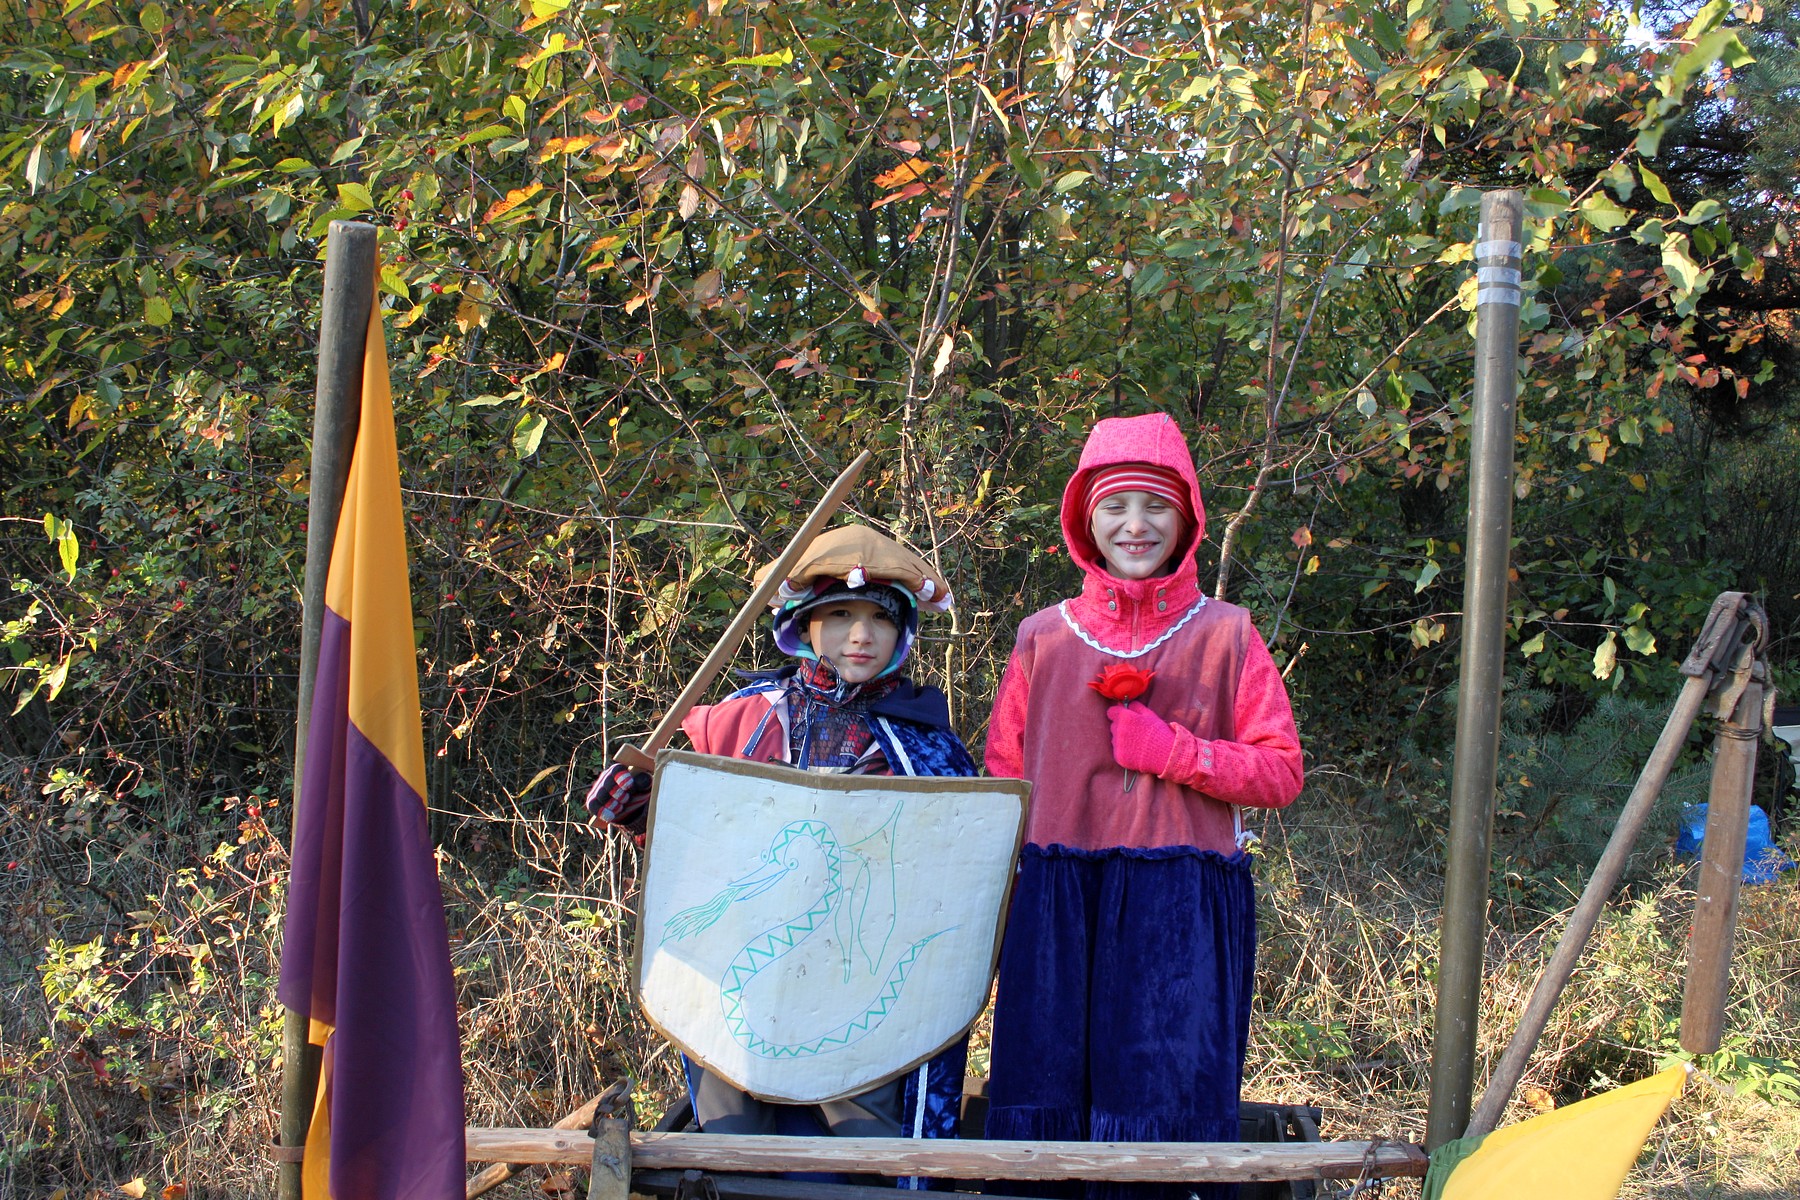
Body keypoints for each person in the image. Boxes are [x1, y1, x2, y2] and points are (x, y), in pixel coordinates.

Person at [982, 412, 1304, 1200]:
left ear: (1187, 519)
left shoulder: (1228, 635)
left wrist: (1176, 754)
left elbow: (1281, 772)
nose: (1136, 525)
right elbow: (1002, 782)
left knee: (1163, 1105)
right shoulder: (1041, 640)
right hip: (1055, 900)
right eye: (1116, 505)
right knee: (1042, 1099)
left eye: (1156, 505)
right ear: (1084, 520)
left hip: (1179, 903)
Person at [587, 523, 975, 1161]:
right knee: (731, 1129)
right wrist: (640, 805)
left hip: (858, 963)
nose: (861, 635)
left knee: (862, 1139)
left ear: (902, 632)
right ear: (804, 624)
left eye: (880, 618)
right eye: (841, 614)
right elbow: (698, 837)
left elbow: (952, 866)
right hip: (742, 961)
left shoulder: (926, 741)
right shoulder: (745, 718)